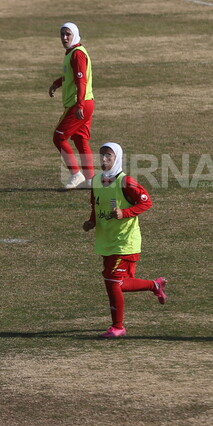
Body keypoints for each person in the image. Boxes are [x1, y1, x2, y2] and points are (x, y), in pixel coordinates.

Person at [83, 142, 166, 338]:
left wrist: (125, 213)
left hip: (125, 241)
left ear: (117, 158)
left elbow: (146, 202)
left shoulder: (126, 182)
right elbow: (96, 206)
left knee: (112, 282)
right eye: (101, 156)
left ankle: (118, 327)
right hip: (106, 240)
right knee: (118, 283)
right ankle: (155, 285)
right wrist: (91, 222)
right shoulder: (96, 181)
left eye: (108, 156)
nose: (103, 160)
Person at [48, 22, 95, 190]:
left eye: (68, 34)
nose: (64, 37)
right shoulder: (72, 53)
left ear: (75, 34)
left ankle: (76, 173)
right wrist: (57, 83)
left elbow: (81, 81)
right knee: (80, 139)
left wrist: (79, 106)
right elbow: (71, 76)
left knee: (59, 137)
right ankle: (90, 179)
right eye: (62, 34)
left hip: (78, 104)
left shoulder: (77, 54)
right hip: (86, 103)